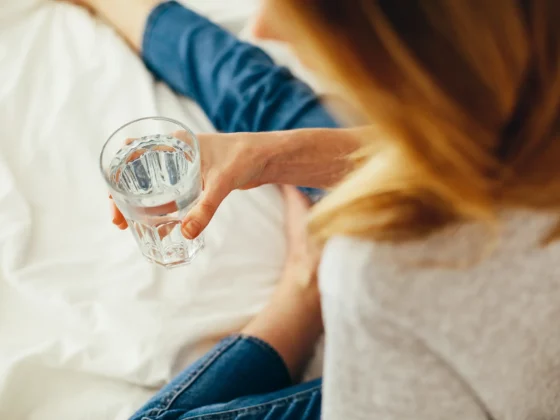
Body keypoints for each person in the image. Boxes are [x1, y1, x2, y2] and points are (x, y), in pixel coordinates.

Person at [71, 0, 560, 419]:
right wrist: (271, 155)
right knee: (264, 108)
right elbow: (482, 153)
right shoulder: (532, 77)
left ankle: (302, 288)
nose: (263, 25)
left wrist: (334, 277)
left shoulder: (382, 275)